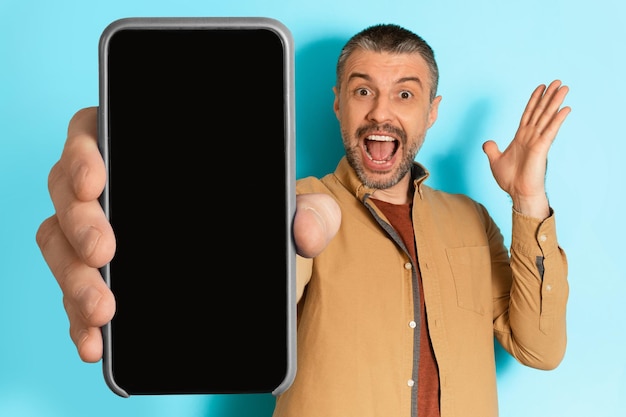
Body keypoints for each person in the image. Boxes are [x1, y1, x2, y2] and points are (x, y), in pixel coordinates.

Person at [36, 23, 570, 417]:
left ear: (431, 111)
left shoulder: (472, 220)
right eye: (363, 91)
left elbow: (540, 347)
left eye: (405, 94)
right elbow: (248, 297)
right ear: (338, 104)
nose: (381, 112)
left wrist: (529, 198)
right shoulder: (295, 207)